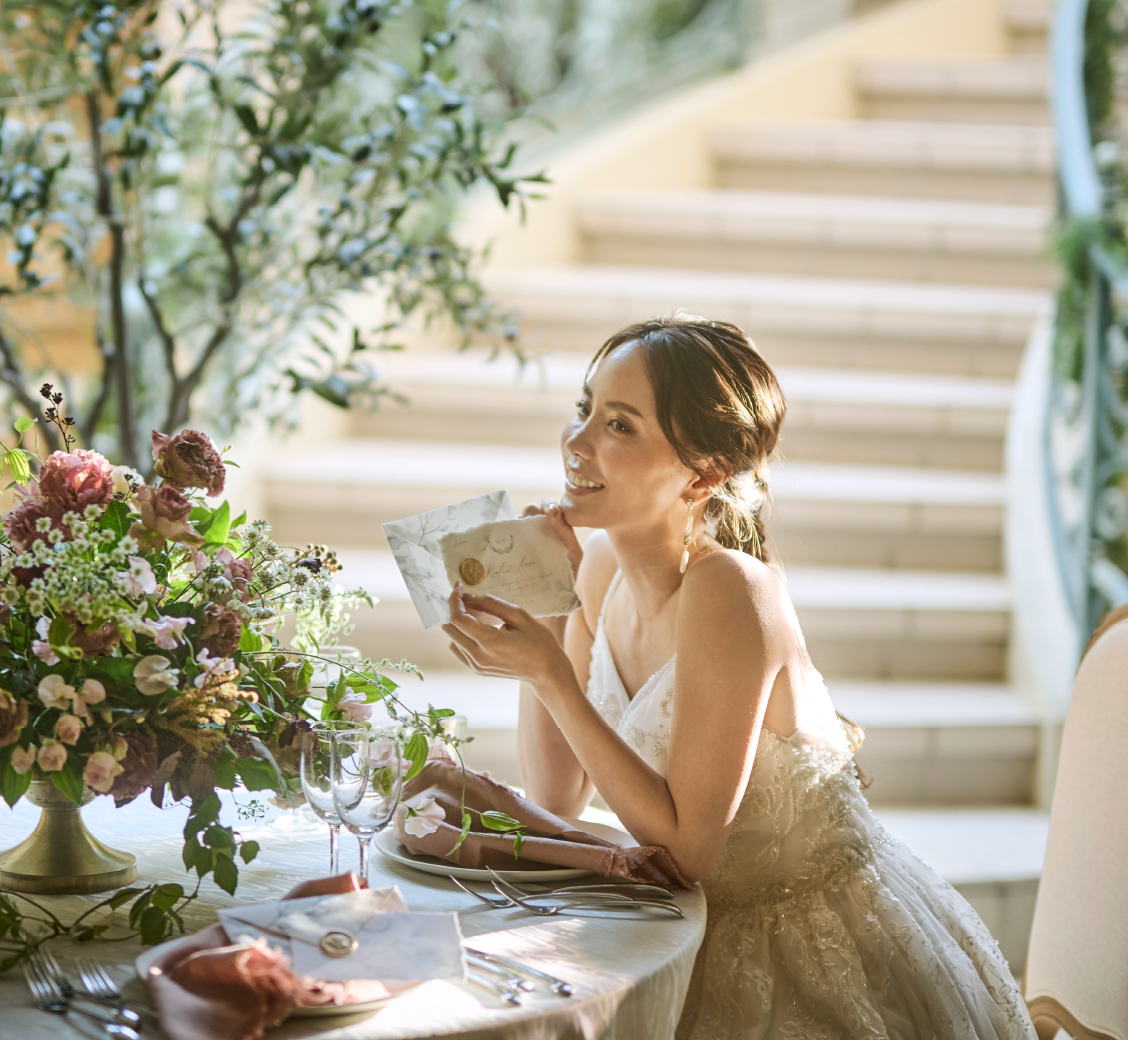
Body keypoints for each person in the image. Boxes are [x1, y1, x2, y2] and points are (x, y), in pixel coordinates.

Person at [441, 314, 1037, 1040]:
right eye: (584, 409)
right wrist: (547, 620)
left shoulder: (730, 590)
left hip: (802, 944)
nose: (576, 441)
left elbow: (690, 852)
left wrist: (554, 678)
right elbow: (556, 794)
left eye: (620, 426)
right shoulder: (595, 571)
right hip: (686, 927)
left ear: (705, 474)